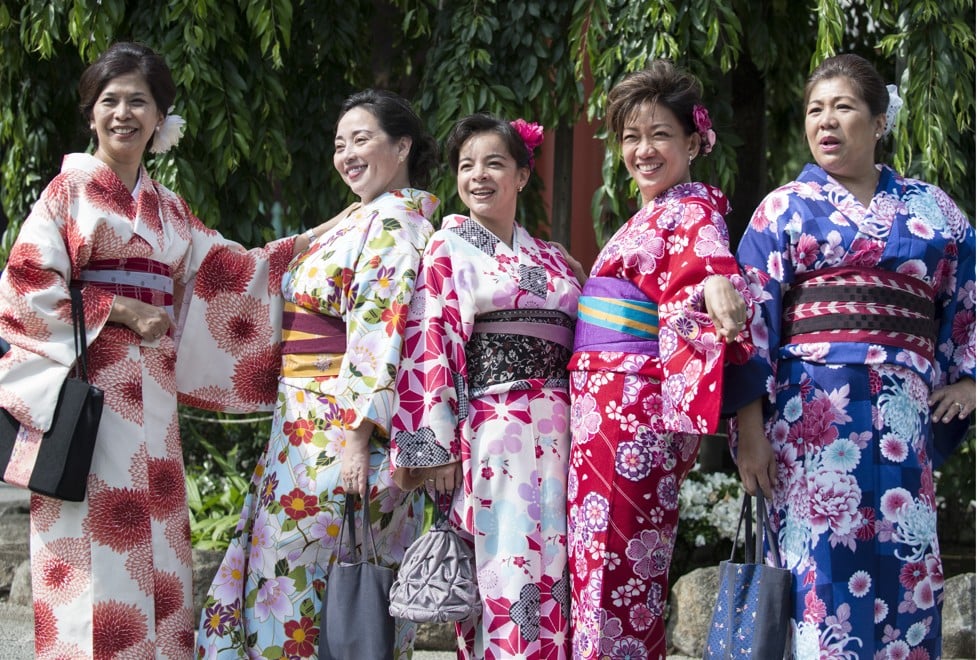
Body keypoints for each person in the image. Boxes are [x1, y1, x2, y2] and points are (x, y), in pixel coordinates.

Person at [0, 41, 339, 658]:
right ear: (91, 113)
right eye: (110, 100)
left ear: (161, 118)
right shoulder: (65, 193)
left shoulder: (169, 209)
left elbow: (231, 274)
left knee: (158, 543)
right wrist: (118, 309)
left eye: (139, 101)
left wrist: (313, 241)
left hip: (152, 399)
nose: (123, 113)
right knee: (94, 546)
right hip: (87, 398)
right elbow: (24, 291)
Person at [728, 53, 976, 658]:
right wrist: (751, 428)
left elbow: (966, 297)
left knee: (905, 575)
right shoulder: (782, 209)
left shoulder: (935, 212)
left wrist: (969, 377)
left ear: (879, 118)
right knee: (819, 586)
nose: (826, 122)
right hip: (807, 423)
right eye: (815, 110)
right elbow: (749, 325)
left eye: (843, 107)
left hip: (900, 424)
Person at [195, 88, 440, 659]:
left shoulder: (395, 226)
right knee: (290, 575)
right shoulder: (363, 219)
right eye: (339, 144)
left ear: (402, 145)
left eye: (362, 139)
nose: (347, 154)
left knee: (303, 580)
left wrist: (358, 437)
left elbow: (378, 335)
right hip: (307, 424)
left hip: (340, 436)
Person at [564, 59, 754, 659]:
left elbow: (709, 259)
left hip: (629, 410)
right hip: (606, 408)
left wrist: (722, 282)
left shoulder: (693, 207)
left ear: (694, 142)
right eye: (631, 137)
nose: (643, 150)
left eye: (660, 135)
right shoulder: (650, 214)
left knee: (616, 569)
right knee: (606, 565)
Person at [389, 113, 582, 659]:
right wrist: (436, 447)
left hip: (561, 426)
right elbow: (432, 341)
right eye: (466, 165)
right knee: (508, 563)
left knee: (560, 564)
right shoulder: (448, 248)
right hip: (496, 429)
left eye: (494, 163)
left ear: (522, 175)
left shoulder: (550, 258)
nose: (478, 176)